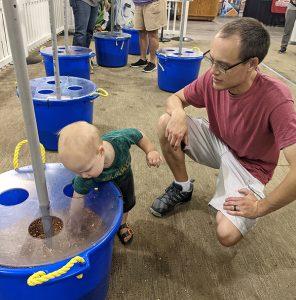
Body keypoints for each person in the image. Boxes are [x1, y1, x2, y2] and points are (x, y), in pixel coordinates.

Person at [150, 18, 296, 247]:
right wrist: (178, 115)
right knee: (165, 121)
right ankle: (182, 186)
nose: (214, 71)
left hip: (250, 165)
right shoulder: (212, 78)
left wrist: (261, 206)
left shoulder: (277, 98)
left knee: (226, 234)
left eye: (223, 65)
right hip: (219, 142)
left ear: (252, 64)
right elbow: (174, 98)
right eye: (212, 60)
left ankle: (238, 190)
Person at [58, 121, 162, 244]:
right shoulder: (85, 176)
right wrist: (75, 222)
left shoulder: (120, 140)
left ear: (101, 152)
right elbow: (77, 197)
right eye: (78, 172)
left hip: (123, 177)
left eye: (86, 170)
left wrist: (151, 150)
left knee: (127, 203)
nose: (83, 176)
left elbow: (138, 134)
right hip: (100, 182)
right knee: (100, 202)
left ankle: (122, 224)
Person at [130, 0, 167, 72]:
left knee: (152, 33)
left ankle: (153, 62)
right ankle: (143, 59)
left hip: (152, 3)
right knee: (141, 32)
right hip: (139, 4)